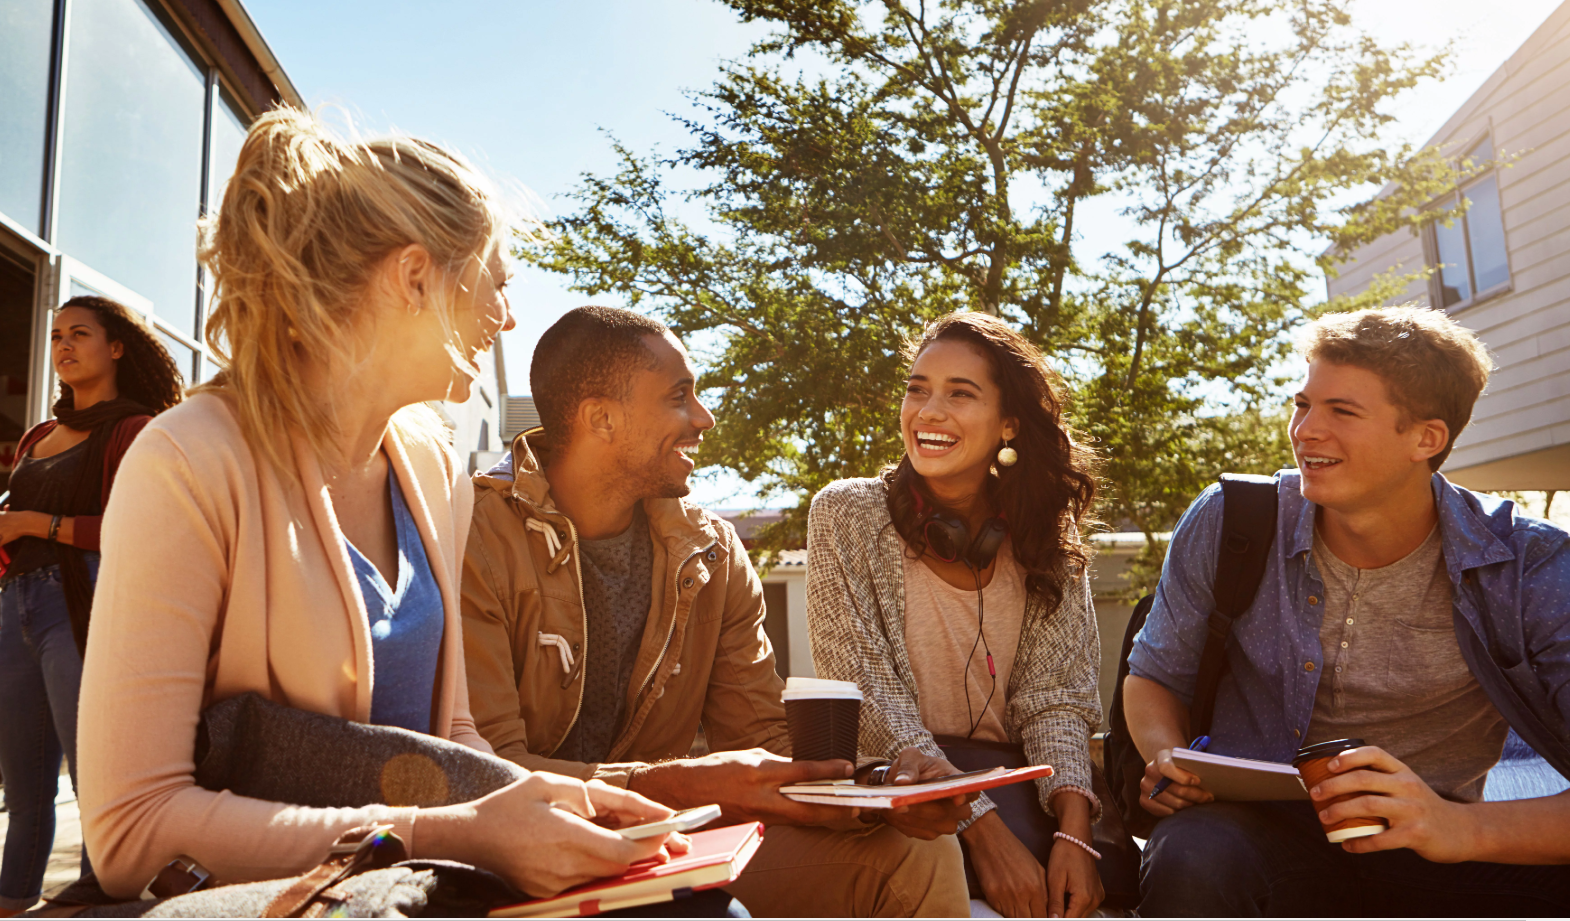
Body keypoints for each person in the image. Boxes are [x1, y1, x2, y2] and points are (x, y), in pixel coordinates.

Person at [76, 109, 705, 907]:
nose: (507, 318)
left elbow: (453, 740)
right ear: (413, 278)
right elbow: (132, 830)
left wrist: (551, 807)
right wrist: (455, 832)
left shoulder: (433, 461)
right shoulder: (187, 461)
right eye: (496, 283)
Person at [460, 305, 973, 918]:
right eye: (680, 397)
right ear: (600, 417)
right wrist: (684, 786)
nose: (704, 418)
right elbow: (485, 771)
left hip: (662, 848)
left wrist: (878, 785)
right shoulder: (472, 534)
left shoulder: (712, 552)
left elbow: (758, 739)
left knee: (918, 855)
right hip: (514, 866)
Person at [1123, 306, 1570, 916]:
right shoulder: (1232, 519)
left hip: (1440, 837)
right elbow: (1154, 675)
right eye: (1303, 404)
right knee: (1192, 855)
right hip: (1254, 830)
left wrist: (1453, 829)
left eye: (1342, 411)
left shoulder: (1533, 564)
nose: (1305, 430)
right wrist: (1168, 756)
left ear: (1425, 438)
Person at [806, 311, 1107, 919]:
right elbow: (869, 697)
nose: (928, 411)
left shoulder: (1047, 535)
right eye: (918, 389)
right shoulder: (845, 515)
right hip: (908, 819)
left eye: (959, 394)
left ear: (1009, 424)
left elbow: (1058, 700)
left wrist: (1074, 835)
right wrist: (984, 830)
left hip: (1031, 811)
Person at [0, 295, 183, 916]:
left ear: (116, 347)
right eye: (57, 334)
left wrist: (31, 520)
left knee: (95, 779)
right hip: (17, 606)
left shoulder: (136, 429)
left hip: (83, 604)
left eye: (80, 333)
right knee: (24, 790)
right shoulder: (37, 435)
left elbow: (134, 528)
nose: (64, 345)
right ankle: (11, 905)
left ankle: (98, 899)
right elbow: (23, 525)